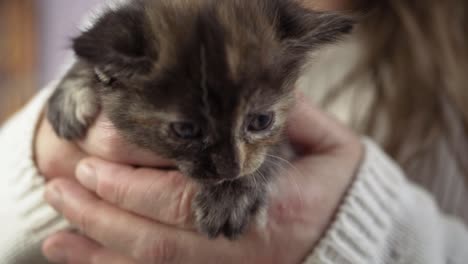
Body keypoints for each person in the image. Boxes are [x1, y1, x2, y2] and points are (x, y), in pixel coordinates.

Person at [0, 0, 466, 264]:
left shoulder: (452, 65)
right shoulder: (140, 24)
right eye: (187, 129)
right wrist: (34, 165)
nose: (230, 166)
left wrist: (377, 236)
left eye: (259, 124)